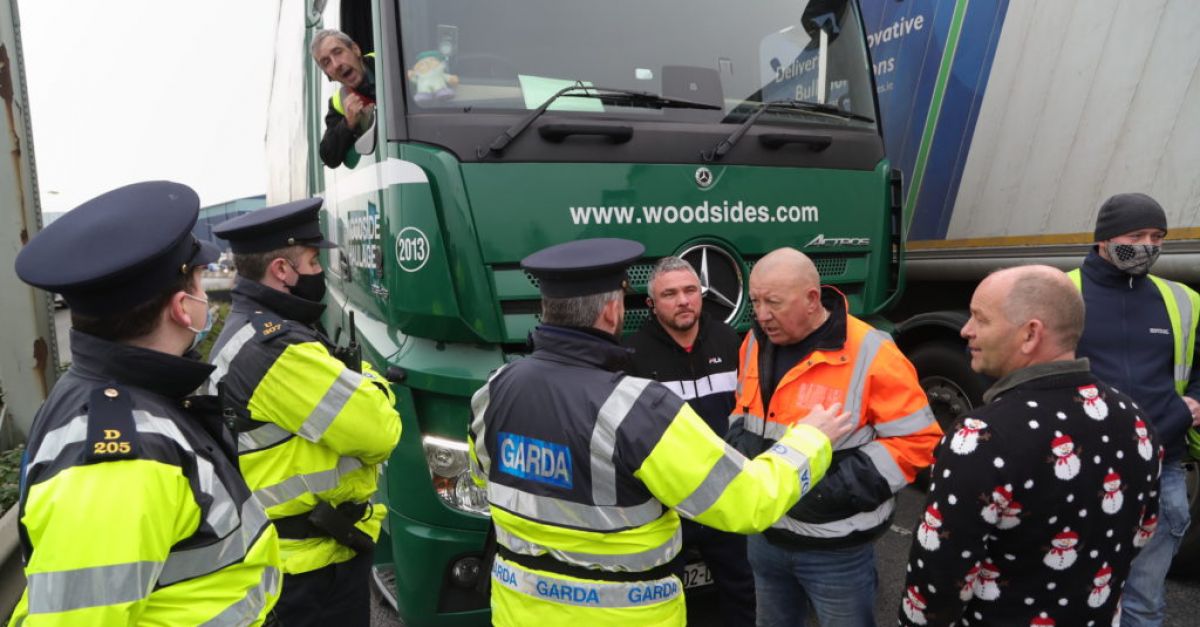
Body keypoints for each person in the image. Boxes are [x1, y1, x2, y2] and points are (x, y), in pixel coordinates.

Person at [467, 238, 855, 626]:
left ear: (547, 310)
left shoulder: (495, 388)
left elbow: (485, 476)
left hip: (519, 611)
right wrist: (811, 440)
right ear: (611, 310)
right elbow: (748, 502)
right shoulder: (634, 408)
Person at [10, 181, 282, 624]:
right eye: (199, 281)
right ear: (182, 308)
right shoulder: (122, 459)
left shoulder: (115, 393)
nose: (206, 295)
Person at [899, 265, 1163, 626]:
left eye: (980, 318)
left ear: (1030, 334)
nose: (966, 330)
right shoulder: (1135, 419)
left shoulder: (982, 436)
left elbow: (938, 575)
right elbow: (1143, 530)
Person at [207, 198, 402, 627]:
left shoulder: (256, 328)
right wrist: (374, 384)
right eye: (313, 261)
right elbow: (379, 432)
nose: (321, 272)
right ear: (282, 269)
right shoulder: (276, 350)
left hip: (301, 554)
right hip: (308, 570)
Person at [726, 247, 940, 627]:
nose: (760, 315)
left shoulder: (871, 350)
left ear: (812, 299)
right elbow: (744, 412)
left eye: (773, 302)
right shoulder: (754, 342)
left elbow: (917, 440)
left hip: (835, 548)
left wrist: (831, 492)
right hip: (765, 535)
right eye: (755, 300)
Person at [1067, 193, 1200, 627]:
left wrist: (1189, 406)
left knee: (1144, 601)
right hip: (1085, 469)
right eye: (1136, 235)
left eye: (1157, 236)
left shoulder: (1180, 299)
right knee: (1072, 590)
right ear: (1104, 238)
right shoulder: (1062, 292)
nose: (1147, 245)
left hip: (1165, 468)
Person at [623, 256, 755, 626]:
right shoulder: (632, 355)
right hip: (666, 504)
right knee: (664, 595)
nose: (683, 300)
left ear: (701, 295)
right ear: (652, 304)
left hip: (723, 494)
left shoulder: (730, 341)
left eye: (689, 290)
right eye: (670, 294)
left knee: (741, 588)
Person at [312, 29, 376, 168]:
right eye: (326, 62)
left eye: (338, 52)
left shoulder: (388, 59)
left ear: (355, 50)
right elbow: (328, 156)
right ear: (328, 75)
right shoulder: (338, 103)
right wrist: (348, 123)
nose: (336, 64)